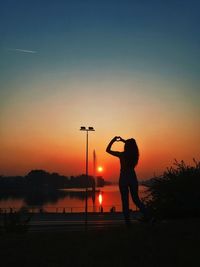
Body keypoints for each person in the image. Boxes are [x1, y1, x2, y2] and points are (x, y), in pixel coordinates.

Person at [106, 136, 148, 226]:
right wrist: (123, 141)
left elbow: (108, 150)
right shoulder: (135, 155)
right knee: (136, 200)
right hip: (132, 177)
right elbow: (132, 147)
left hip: (123, 178)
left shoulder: (122, 155)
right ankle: (149, 217)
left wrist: (114, 140)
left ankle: (128, 224)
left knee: (125, 202)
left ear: (126, 146)